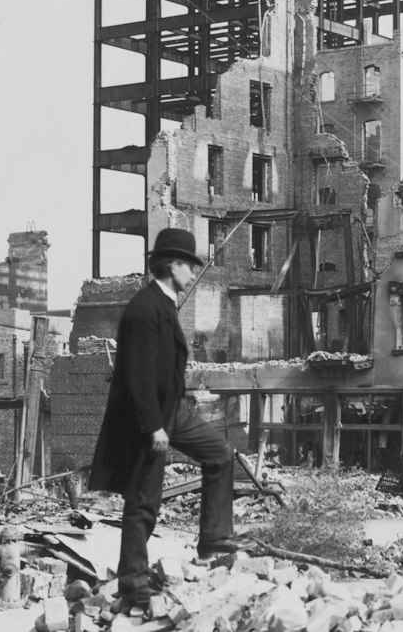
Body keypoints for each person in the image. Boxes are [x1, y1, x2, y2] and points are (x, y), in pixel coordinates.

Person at [88, 228, 236, 611]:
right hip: (147, 418)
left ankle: (216, 543)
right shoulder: (144, 308)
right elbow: (137, 375)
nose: (193, 272)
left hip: (171, 411)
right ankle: (134, 586)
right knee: (143, 502)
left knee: (219, 453)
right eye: (189, 265)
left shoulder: (164, 303)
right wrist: (153, 425)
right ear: (173, 265)